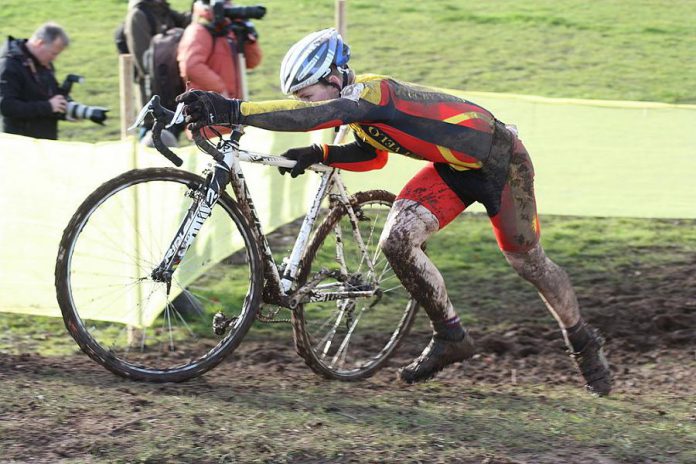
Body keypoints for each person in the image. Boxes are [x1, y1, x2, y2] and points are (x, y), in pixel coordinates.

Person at [177, 28, 613, 396]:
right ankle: (451, 336)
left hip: (502, 163)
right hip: (452, 169)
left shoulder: (372, 92)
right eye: (302, 98)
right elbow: (373, 156)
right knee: (396, 241)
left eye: (309, 95)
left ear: (334, 77)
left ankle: (581, 339)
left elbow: (323, 114)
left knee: (528, 263)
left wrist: (234, 109)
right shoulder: (360, 112)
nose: (309, 104)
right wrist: (320, 152)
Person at [177, 0, 262, 138]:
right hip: (209, 122)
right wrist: (221, 91)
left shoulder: (227, 31)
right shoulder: (199, 30)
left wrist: (249, 39)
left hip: (233, 118)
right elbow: (190, 65)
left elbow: (253, 61)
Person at [124, 0, 190, 145]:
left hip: (173, 96)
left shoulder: (162, 9)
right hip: (154, 100)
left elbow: (188, 22)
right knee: (151, 153)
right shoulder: (138, 16)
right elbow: (145, 64)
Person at [0, 23, 69, 140]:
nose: (55, 58)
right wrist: (48, 107)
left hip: (44, 141)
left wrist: (65, 111)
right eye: (53, 53)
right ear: (39, 43)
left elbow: (50, 95)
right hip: (21, 143)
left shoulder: (43, 62)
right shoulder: (9, 65)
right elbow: (6, 106)